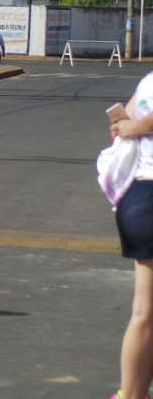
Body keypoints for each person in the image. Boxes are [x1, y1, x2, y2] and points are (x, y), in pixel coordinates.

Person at [107, 80, 153, 399]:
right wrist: (133, 126)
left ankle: (132, 395)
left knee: (144, 313)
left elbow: (120, 123)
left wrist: (125, 124)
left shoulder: (148, 82)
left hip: (138, 198)